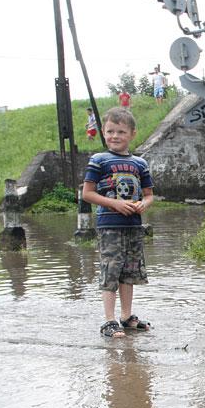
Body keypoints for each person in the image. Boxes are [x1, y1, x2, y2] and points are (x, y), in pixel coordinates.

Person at [82, 107, 154, 338]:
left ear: (132, 134)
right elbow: (88, 194)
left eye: (121, 132)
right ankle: (109, 320)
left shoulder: (140, 164)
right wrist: (115, 204)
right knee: (110, 269)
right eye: (110, 131)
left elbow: (149, 194)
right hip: (109, 224)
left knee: (129, 271)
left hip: (133, 225)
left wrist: (144, 203)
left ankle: (126, 316)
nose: (115, 136)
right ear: (103, 132)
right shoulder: (98, 160)